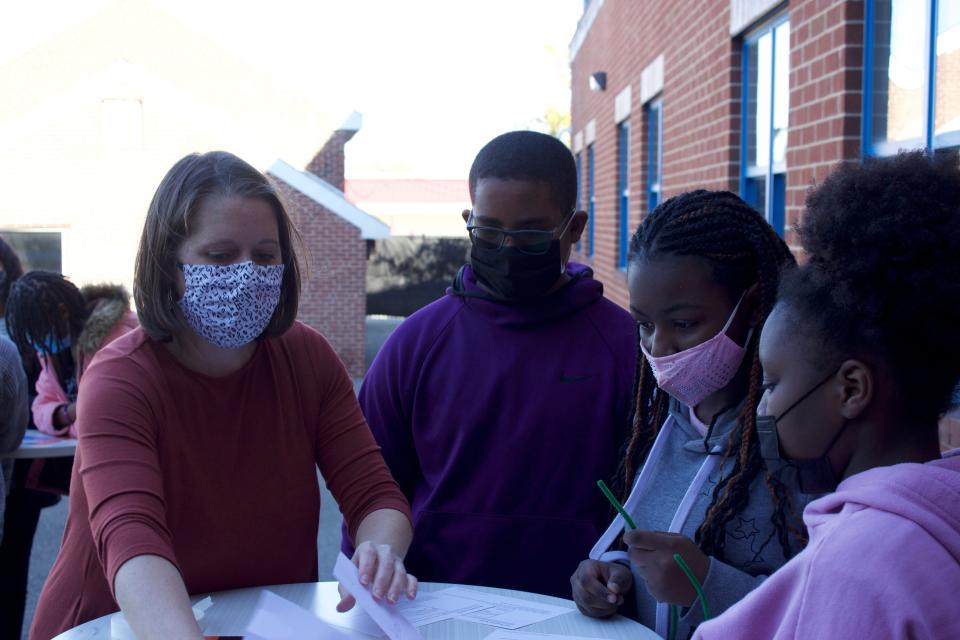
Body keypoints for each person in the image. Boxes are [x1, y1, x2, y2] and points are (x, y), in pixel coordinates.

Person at [30, 151, 416, 640]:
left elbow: (376, 495)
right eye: (220, 255)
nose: (247, 273)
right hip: (115, 626)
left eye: (264, 255)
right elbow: (133, 544)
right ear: (169, 266)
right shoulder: (119, 380)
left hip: (265, 624)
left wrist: (380, 548)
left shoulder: (309, 359)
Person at [343, 130, 637, 598]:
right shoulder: (415, 345)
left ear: (574, 228)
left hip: (574, 619)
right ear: (468, 220)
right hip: (432, 613)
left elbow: (646, 499)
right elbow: (372, 491)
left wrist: (622, 570)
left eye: (530, 234)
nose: (507, 248)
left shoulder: (626, 346)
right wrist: (365, 581)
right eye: (489, 231)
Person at [693, 152, 960, 638]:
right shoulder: (942, 518)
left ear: (851, 389)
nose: (762, 409)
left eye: (772, 384)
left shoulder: (862, 565)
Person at [571, 190, 809, 638]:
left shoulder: (803, 438)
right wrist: (616, 572)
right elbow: (657, 538)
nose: (658, 349)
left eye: (682, 324)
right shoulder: (655, 421)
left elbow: (822, 608)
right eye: (644, 324)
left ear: (754, 305)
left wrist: (707, 584)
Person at [6, 273, 139, 439]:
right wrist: (70, 412)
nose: (39, 344)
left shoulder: (118, 338)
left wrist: (69, 422)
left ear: (62, 312)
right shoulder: (54, 353)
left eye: (41, 331)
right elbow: (39, 408)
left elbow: (110, 415)